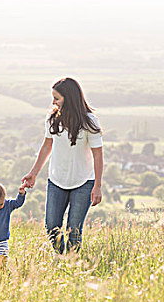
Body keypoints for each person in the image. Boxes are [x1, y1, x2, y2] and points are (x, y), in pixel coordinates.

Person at [21, 78, 103, 254]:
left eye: (57, 98)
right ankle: (61, 259)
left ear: (69, 98)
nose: (53, 102)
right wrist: (33, 173)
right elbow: (46, 146)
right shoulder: (52, 119)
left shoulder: (90, 121)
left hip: (83, 182)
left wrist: (97, 185)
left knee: (74, 230)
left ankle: (72, 264)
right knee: (52, 226)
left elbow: (98, 154)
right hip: (57, 181)